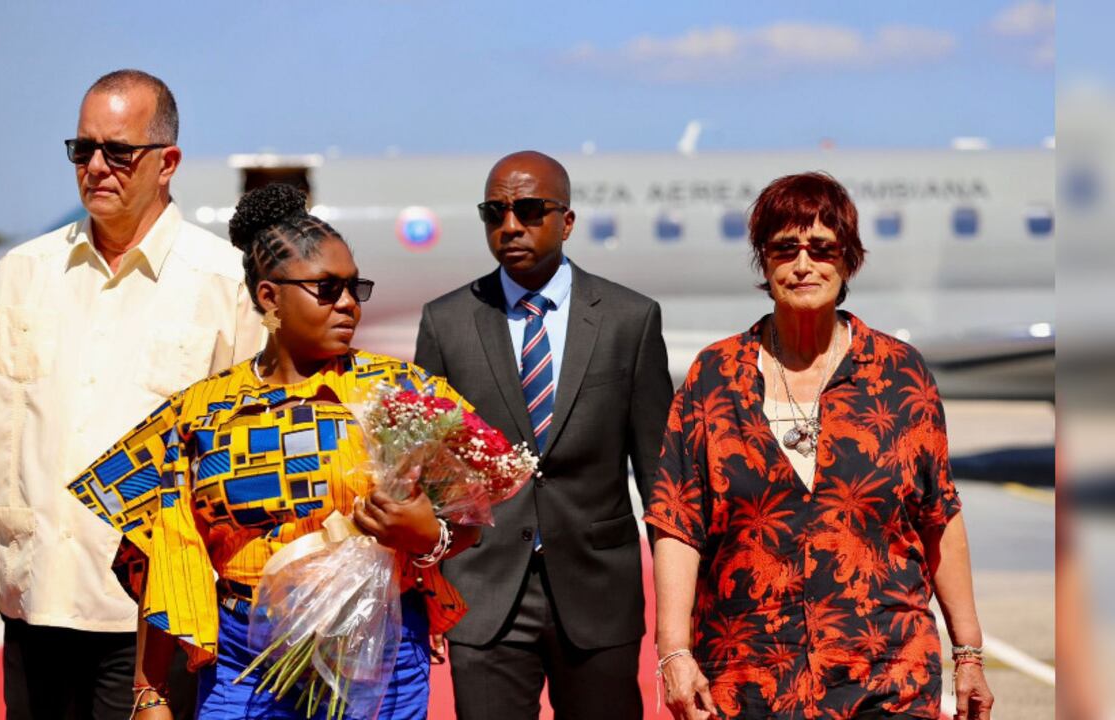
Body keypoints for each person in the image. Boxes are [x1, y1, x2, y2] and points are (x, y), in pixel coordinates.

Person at [67, 182, 480, 719]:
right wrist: (151, 692)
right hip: (244, 661)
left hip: (379, 653)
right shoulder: (202, 412)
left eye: (354, 287)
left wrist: (429, 539)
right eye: (327, 289)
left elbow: (472, 514)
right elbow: (165, 554)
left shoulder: (402, 392)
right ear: (269, 297)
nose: (349, 304)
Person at [646, 172, 994, 719]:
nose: (803, 264)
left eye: (822, 249)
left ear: (848, 259)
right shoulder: (714, 376)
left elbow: (939, 515)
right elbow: (677, 521)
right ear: (764, 262)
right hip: (750, 679)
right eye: (785, 249)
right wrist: (674, 652)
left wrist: (968, 652)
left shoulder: (900, 374)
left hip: (888, 673)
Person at [0, 69, 263, 719]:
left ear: (168, 163)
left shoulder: (225, 286)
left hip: (159, 623)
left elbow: (247, 459)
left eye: (118, 151)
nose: (96, 166)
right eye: (83, 149)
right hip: (32, 602)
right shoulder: (21, 275)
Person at [414, 150, 673, 719]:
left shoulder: (629, 319)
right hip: (483, 596)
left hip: (598, 592)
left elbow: (659, 478)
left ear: (567, 221)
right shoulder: (446, 323)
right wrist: (427, 592)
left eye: (530, 210)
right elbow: (428, 476)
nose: (510, 226)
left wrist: (681, 606)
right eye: (495, 213)